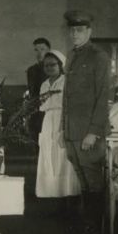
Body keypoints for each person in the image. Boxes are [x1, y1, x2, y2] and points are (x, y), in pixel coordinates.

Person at [60, 11, 111, 234]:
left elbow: (103, 97)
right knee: (83, 182)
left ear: (89, 32)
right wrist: (63, 129)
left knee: (94, 183)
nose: (74, 35)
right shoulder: (71, 56)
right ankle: (88, 229)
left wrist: (94, 131)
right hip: (72, 132)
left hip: (89, 133)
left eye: (79, 30)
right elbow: (66, 98)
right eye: (71, 31)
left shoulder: (99, 57)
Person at [35, 50, 80, 207]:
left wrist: (63, 129)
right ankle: (54, 198)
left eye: (52, 64)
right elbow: (42, 106)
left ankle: (68, 200)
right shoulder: (44, 84)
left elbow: (70, 107)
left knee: (63, 160)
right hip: (48, 121)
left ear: (60, 65)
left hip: (63, 121)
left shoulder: (67, 82)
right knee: (49, 158)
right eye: (46, 65)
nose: (48, 67)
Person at [27, 37, 51, 139]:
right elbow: (32, 92)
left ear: (49, 50)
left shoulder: (54, 70)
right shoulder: (31, 70)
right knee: (35, 142)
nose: (39, 53)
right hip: (35, 113)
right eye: (36, 50)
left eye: (42, 49)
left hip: (49, 112)